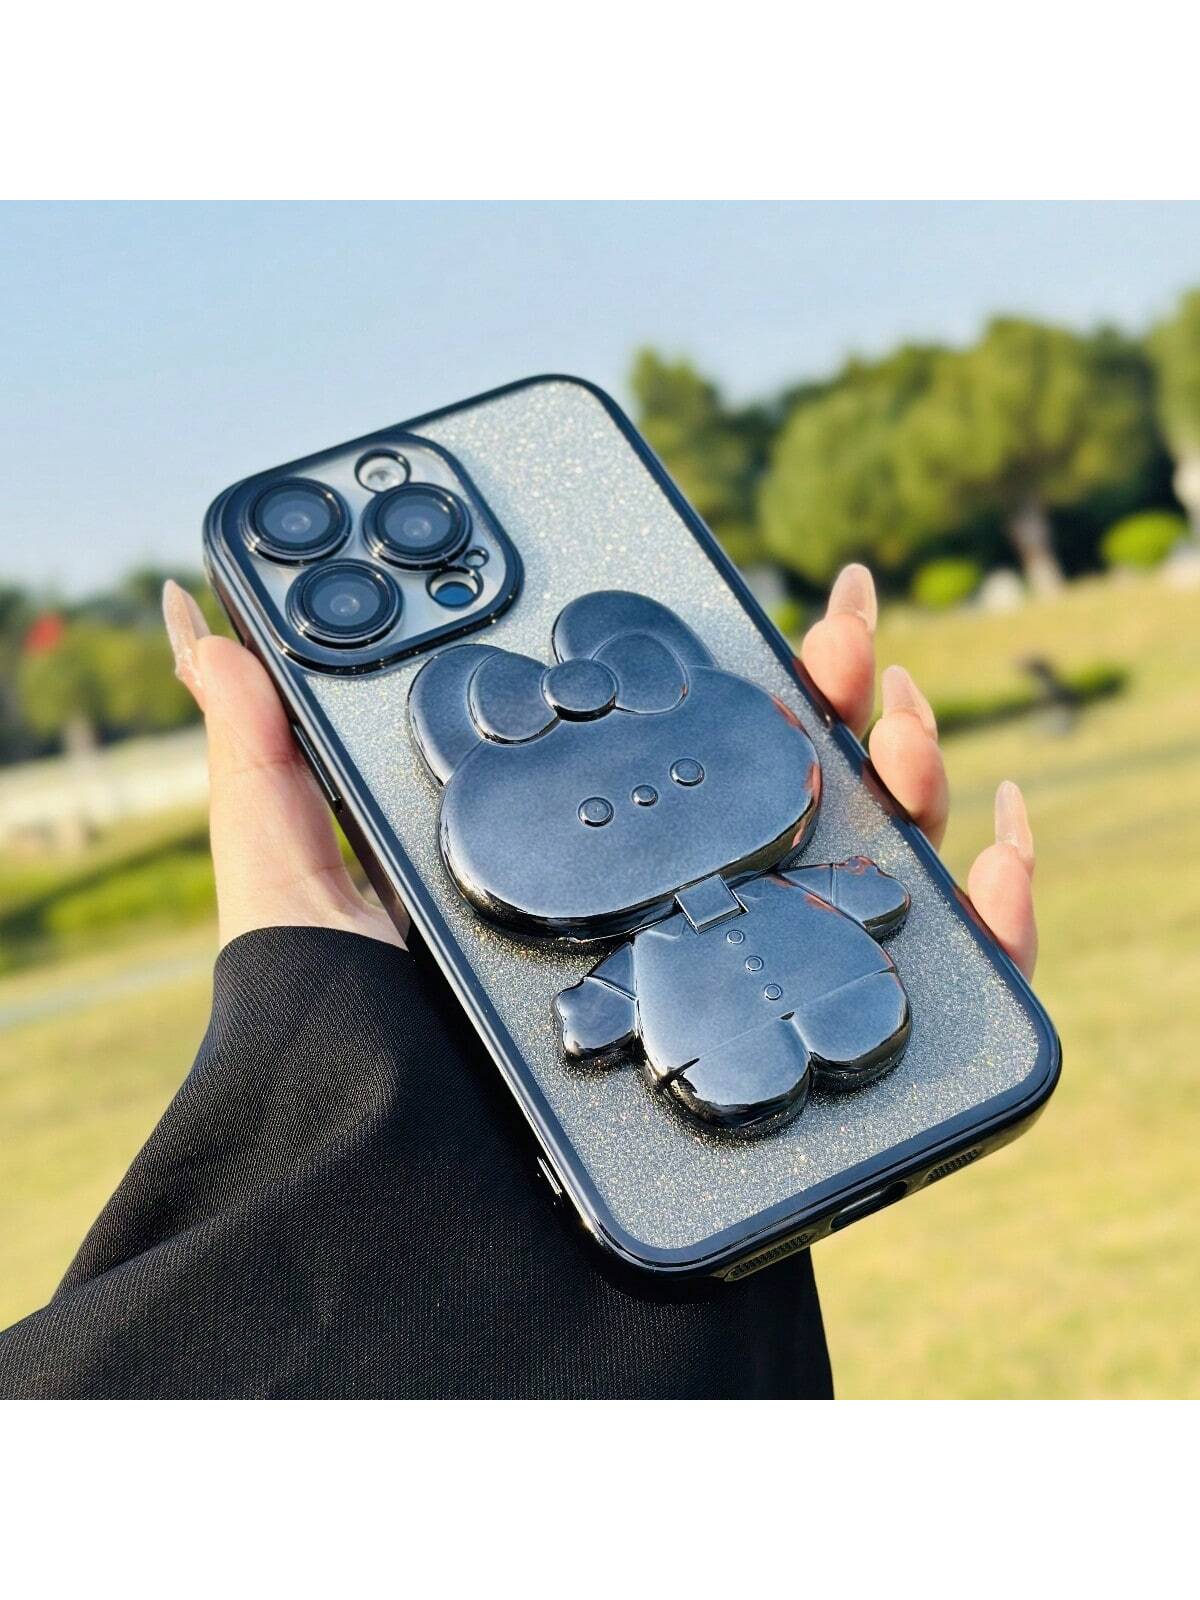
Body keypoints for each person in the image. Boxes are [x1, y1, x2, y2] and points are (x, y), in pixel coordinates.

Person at [0, 566, 1036, 1399]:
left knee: (847, 1019)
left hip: (800, 988)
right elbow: (595, 1016)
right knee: (756, 1069)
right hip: (724, 1032)